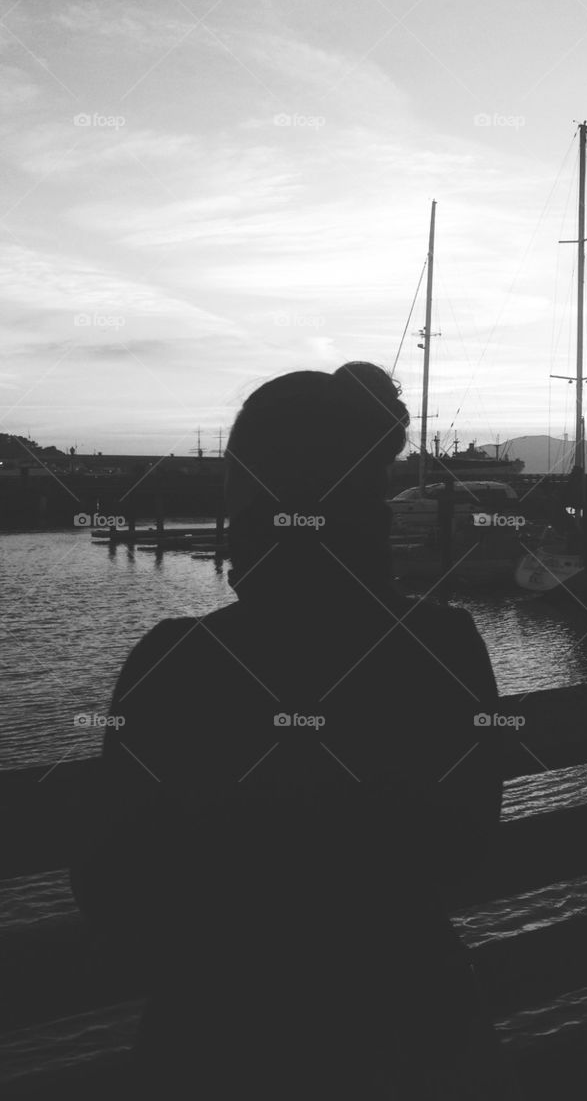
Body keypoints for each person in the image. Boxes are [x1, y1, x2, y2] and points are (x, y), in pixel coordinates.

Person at [71, 363, 521, 1099]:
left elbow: (106, 888)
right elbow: (465, 850)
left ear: (254, 505)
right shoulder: (448, 648)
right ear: (373, 502)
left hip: (216, 1045)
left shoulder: (177, 665)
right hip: (425, 1038)